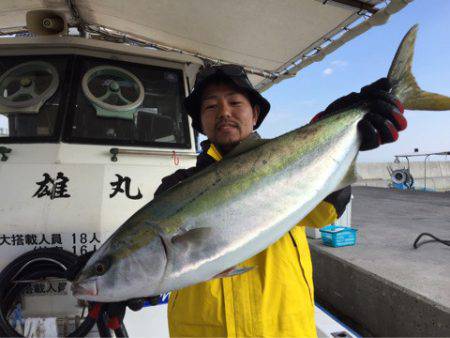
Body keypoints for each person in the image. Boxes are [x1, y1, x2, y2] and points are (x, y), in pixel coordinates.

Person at [154, 65, 406, 337]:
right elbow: (153, 260)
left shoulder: (288, 164)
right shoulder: (176, 187)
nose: (224, 112)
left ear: (255, 114)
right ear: (200, 124)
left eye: (235, 102)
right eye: (211, 107)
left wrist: (337, 130)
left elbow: (324, 213)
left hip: (284, 329)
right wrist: (120, 291)